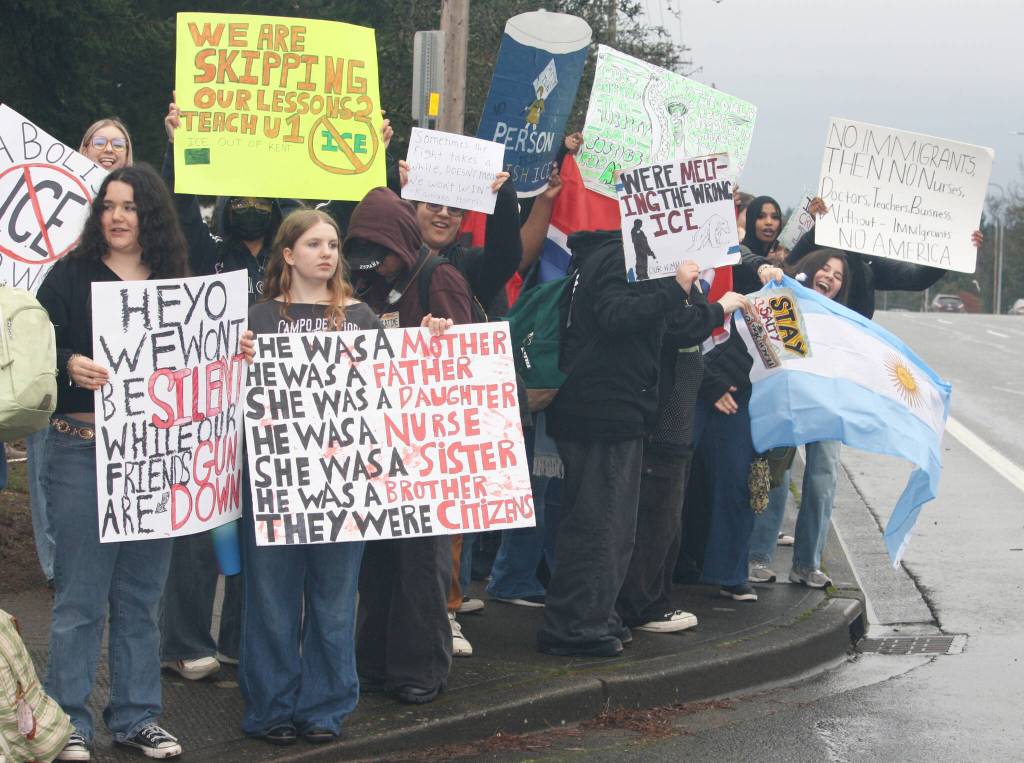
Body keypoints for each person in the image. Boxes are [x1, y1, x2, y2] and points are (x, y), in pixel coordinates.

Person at [36, 164, 187, 761]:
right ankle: (68, 717)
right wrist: (68, 362)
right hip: (80, 448)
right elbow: (33, 345)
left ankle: (137, 716)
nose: (117, 216)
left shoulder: (177, 279)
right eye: (108, 206)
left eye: (129, 206)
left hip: (154, 455)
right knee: (80, 598)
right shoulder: (70, 274)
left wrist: (236, 348)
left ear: (149, 214)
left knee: (142, 595)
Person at [238, 209, 377, 745]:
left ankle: (324, 707)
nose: (327, 253)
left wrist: (432, 335)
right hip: (274, 479)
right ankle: (271, 707)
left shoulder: (361, 317)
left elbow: (388, 390)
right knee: (271, 598)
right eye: (315, 243)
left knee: (334, 598)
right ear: (288, 254)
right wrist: (239, 361)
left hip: (342, 483)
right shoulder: (257, 317)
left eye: (334, 244)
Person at [536, 229, 701, 657]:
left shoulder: (606, 256)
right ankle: (577, 627)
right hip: (605, 410)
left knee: (596, 523)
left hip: (601, 408)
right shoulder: (617, 256)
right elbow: (614, 315)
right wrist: (673, 288)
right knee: (603, 525)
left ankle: (591, 616)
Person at [344, 186, 474, 699]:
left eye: (385, 256)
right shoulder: (367, 277)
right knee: (378, 566)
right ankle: (375, 662)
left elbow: (466, 358)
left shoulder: (440, 277)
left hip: (429, 450)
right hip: (381, 451)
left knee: (422, 567)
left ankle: (419, 671)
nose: (379, 267)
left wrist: (438, 336)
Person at [26, 117, 135, 588]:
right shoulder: (50, 207)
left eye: (118, 143)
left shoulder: (145, 229)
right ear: (81, 149)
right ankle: (59, 567)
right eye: (98, 141)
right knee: (49, 464)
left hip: (123, 387)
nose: (108, 149)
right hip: (58, 371)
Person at [616, 273, 750, 632]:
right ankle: (642, 606)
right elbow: (679, 330)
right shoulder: (663, 289)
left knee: (668, 520)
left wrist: (711, 383)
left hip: (677, 426)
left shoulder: (690, 291)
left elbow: (693, 346)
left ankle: (657, 599)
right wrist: (720, 308)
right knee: (654, 518)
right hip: (661, 425)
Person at [748, 249, 850, 588]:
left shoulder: (840, 318)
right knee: (777, 474)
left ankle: (808, 564)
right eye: (825, 269)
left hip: (825, 402)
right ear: (809, 269)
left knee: (824, 477)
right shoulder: (785, 298)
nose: (830, 278)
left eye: (838, 276)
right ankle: (757, 557)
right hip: (789, 396)